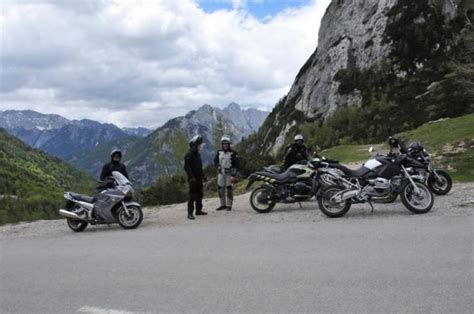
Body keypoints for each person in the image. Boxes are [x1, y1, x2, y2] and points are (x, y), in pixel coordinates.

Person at [184, 135, 208, 220]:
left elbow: (199, 167)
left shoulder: (197, 154)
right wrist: (191, 177)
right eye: (199, 144)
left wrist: (203, 176)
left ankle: (198, 210)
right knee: (192, 196)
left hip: (198, 178)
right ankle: (190, 213)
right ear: (194, 145)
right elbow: (187, 168)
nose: (200, 146)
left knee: (199, 194)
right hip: (193, 179)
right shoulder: (189, 155)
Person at [214, 136, 239, 211]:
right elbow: (215, 161)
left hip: (229, 173)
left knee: (229, 189)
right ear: (222, 144)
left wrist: (233, 175)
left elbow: (236, 165)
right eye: (223, 144)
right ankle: (222, 204)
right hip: (221, 173)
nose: (225, 145)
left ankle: (229, 205)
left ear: (229, 144)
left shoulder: (233, 153)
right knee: (220, 189)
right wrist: (217, 166)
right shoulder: (219, 152)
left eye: (226, 144)